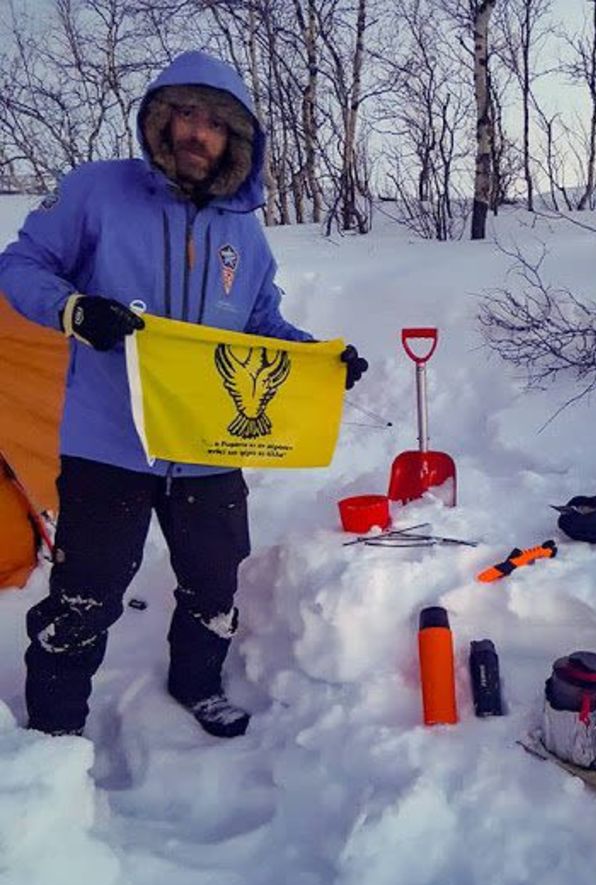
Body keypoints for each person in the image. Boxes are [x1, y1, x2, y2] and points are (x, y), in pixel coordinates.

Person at [0, 51, 368, 740]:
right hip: (109, 440)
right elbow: (20, 265)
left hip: (207, 444)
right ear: (160, 120)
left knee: (214, 582)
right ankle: (54, 727)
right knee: (85, 592)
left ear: (235, 141)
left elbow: (261, 323)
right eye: (184, 114)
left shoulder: (244, 233)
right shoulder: (95, 192)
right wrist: (74, 309)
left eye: (214, 123)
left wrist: (322, 358)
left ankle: (197, 682)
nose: (197, 132)